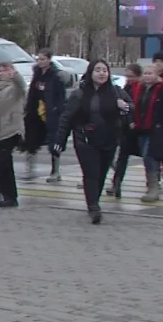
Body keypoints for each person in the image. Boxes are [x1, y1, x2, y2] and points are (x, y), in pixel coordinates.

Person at [53, 59, 131, 224]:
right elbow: (66, 118)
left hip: (109, 139)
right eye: (98, 70)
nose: (102, 73)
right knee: (91, 173)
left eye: (105, 70)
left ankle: (94, 201)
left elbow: (132, 108)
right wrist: (59, 140)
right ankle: (93, 207)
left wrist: (125, 107)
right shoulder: (80, 94)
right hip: (85, 140)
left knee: (101, 174)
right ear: (90, 73)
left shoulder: (116, 92)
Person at [126, 64, 163, 202]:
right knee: (147, 157)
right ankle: (153, 184)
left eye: (150, 73)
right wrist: (133, 121)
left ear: (156, 75)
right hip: (141, 128)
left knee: (149, 156)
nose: (147, 76)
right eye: (145, 73)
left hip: (157, 130)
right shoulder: (140, 89)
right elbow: (136, 107)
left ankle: (153, 187)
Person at [23, 49, 66, 183]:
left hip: (50, 112)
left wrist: (56, 109)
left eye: (43, 59)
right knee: (31, 140)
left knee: (53, 142)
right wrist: (28, 108)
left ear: (49, 59)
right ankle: (30, 169)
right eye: (39, 59)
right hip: (35, 111)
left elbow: (61, 96)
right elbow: (32, 93)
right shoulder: (36, 74)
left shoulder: (55, 76)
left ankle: (55, 171)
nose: (40, 62)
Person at [0, 61, 26, 208]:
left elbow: (22, 86)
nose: (2, 72)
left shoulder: (13, 88)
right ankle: (2, 194)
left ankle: (11, 196)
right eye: (0, 70)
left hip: (12, 128)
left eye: (5, 69)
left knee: (2, 159)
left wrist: (15, 75)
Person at [108, 63, 143, 198]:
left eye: (131, 76)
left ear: (138, 76)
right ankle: (116, 184)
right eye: (127, 76)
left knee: (147, 155)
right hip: (126, 128)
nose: (128, 79)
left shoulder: (142, 87)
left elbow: (139, 107)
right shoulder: (126, 88)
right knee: (122, 157)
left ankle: (154, 179)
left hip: (139, 128)